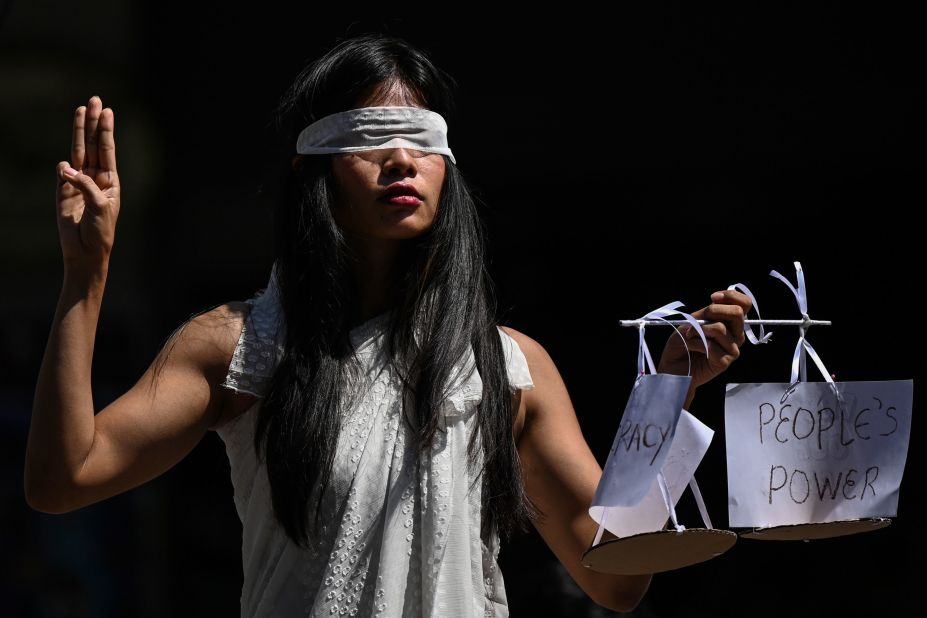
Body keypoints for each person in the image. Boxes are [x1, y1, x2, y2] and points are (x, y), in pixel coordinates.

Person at [26, 33, 752, 617]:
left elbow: (614, 579)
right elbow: (64, 482)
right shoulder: (240, 346)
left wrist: (670, 389)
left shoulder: (509, 366)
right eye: (372, 134)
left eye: (420, 138)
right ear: (314, 168)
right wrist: (86, 279)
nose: (401, 158)